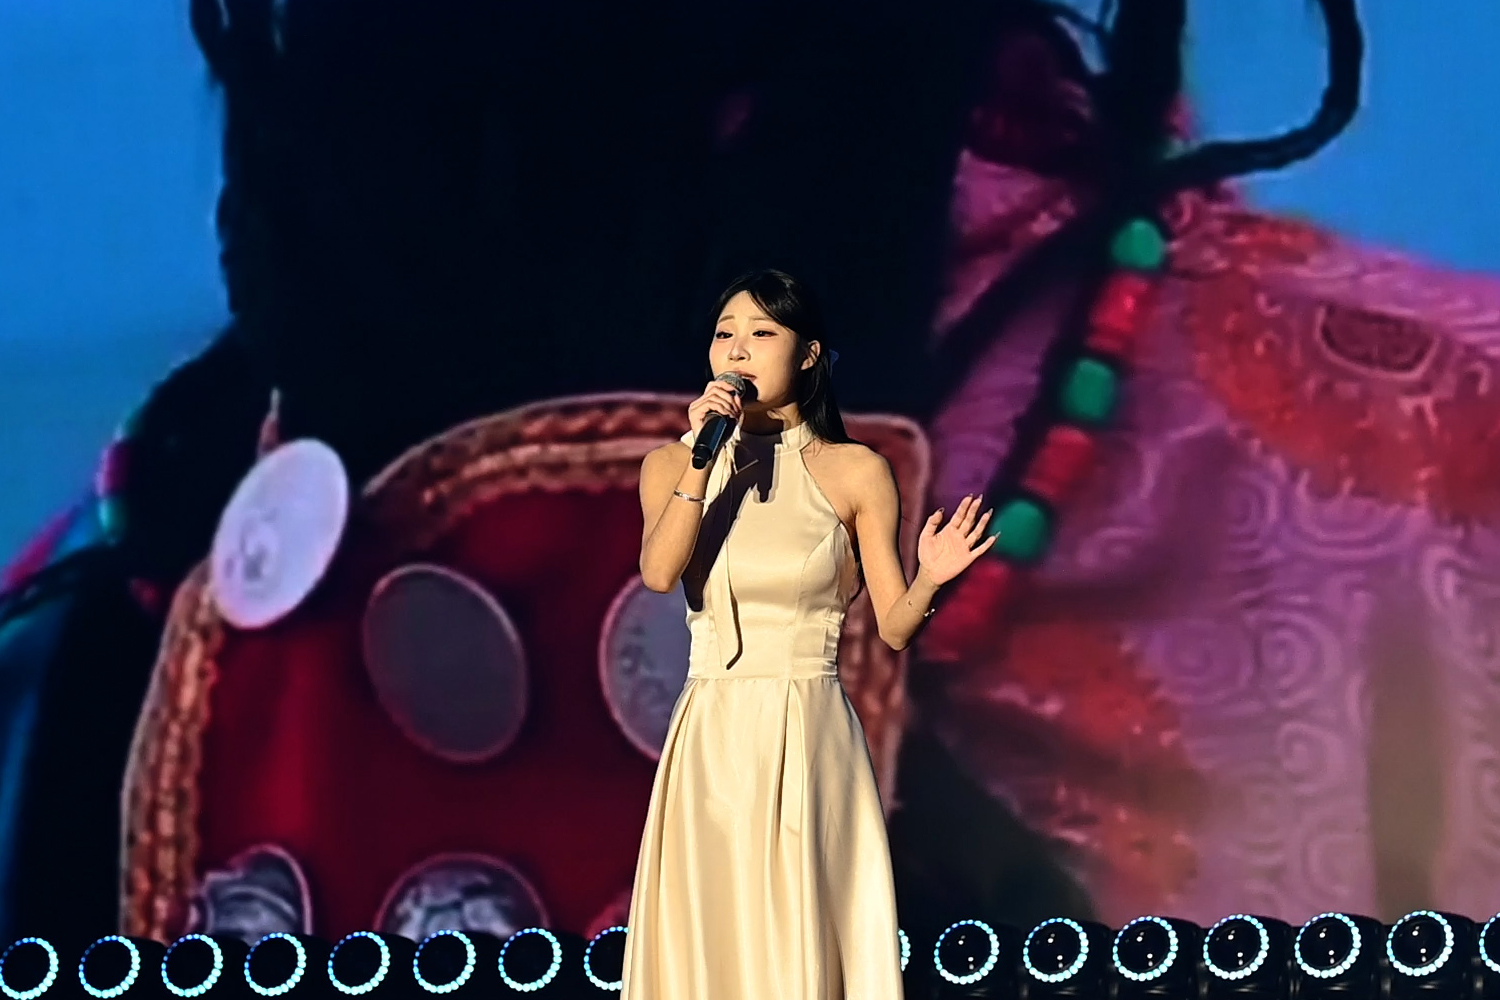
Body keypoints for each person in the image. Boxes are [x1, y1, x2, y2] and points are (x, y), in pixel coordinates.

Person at [620, 268, 996, 998]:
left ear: (809, 354)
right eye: (724, 334)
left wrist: (931, 577)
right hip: (712, 730)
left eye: (762, 333)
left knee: (798, 938)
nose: (737, 350)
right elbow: (660, 573)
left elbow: (894, 627)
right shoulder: (670, 465)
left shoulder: (855, 471)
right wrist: (702, 459)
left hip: (806, 724)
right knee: (711, 938)